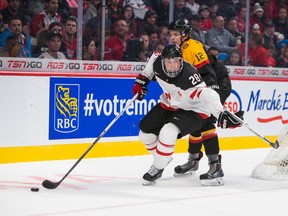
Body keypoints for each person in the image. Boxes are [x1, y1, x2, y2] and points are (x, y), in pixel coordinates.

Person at [132, 44, 243, 185]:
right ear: (162, 61)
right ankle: (163, 157)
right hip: (171, 103)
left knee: (169, 131)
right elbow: (148, 70)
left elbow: (208, 94)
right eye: (169, 62)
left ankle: (158, 166)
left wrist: (221, 113)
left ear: (181, 61)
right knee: (145, 134)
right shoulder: (156, 62)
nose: (173, 67)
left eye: (176, 62)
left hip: (194, 109)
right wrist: (141, 81)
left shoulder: (189, 75)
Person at [168, 19, 236, 186]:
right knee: (195, 123)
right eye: (171, 35)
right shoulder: (179, 49)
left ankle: (215, 166)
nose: (172, 38)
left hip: (215, 84)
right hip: (200, 88)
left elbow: (206, 71)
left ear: (184, 35)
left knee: (205, 124)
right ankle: (194, 161)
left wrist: (211, 92)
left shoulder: (191, 47)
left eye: (176, 34)